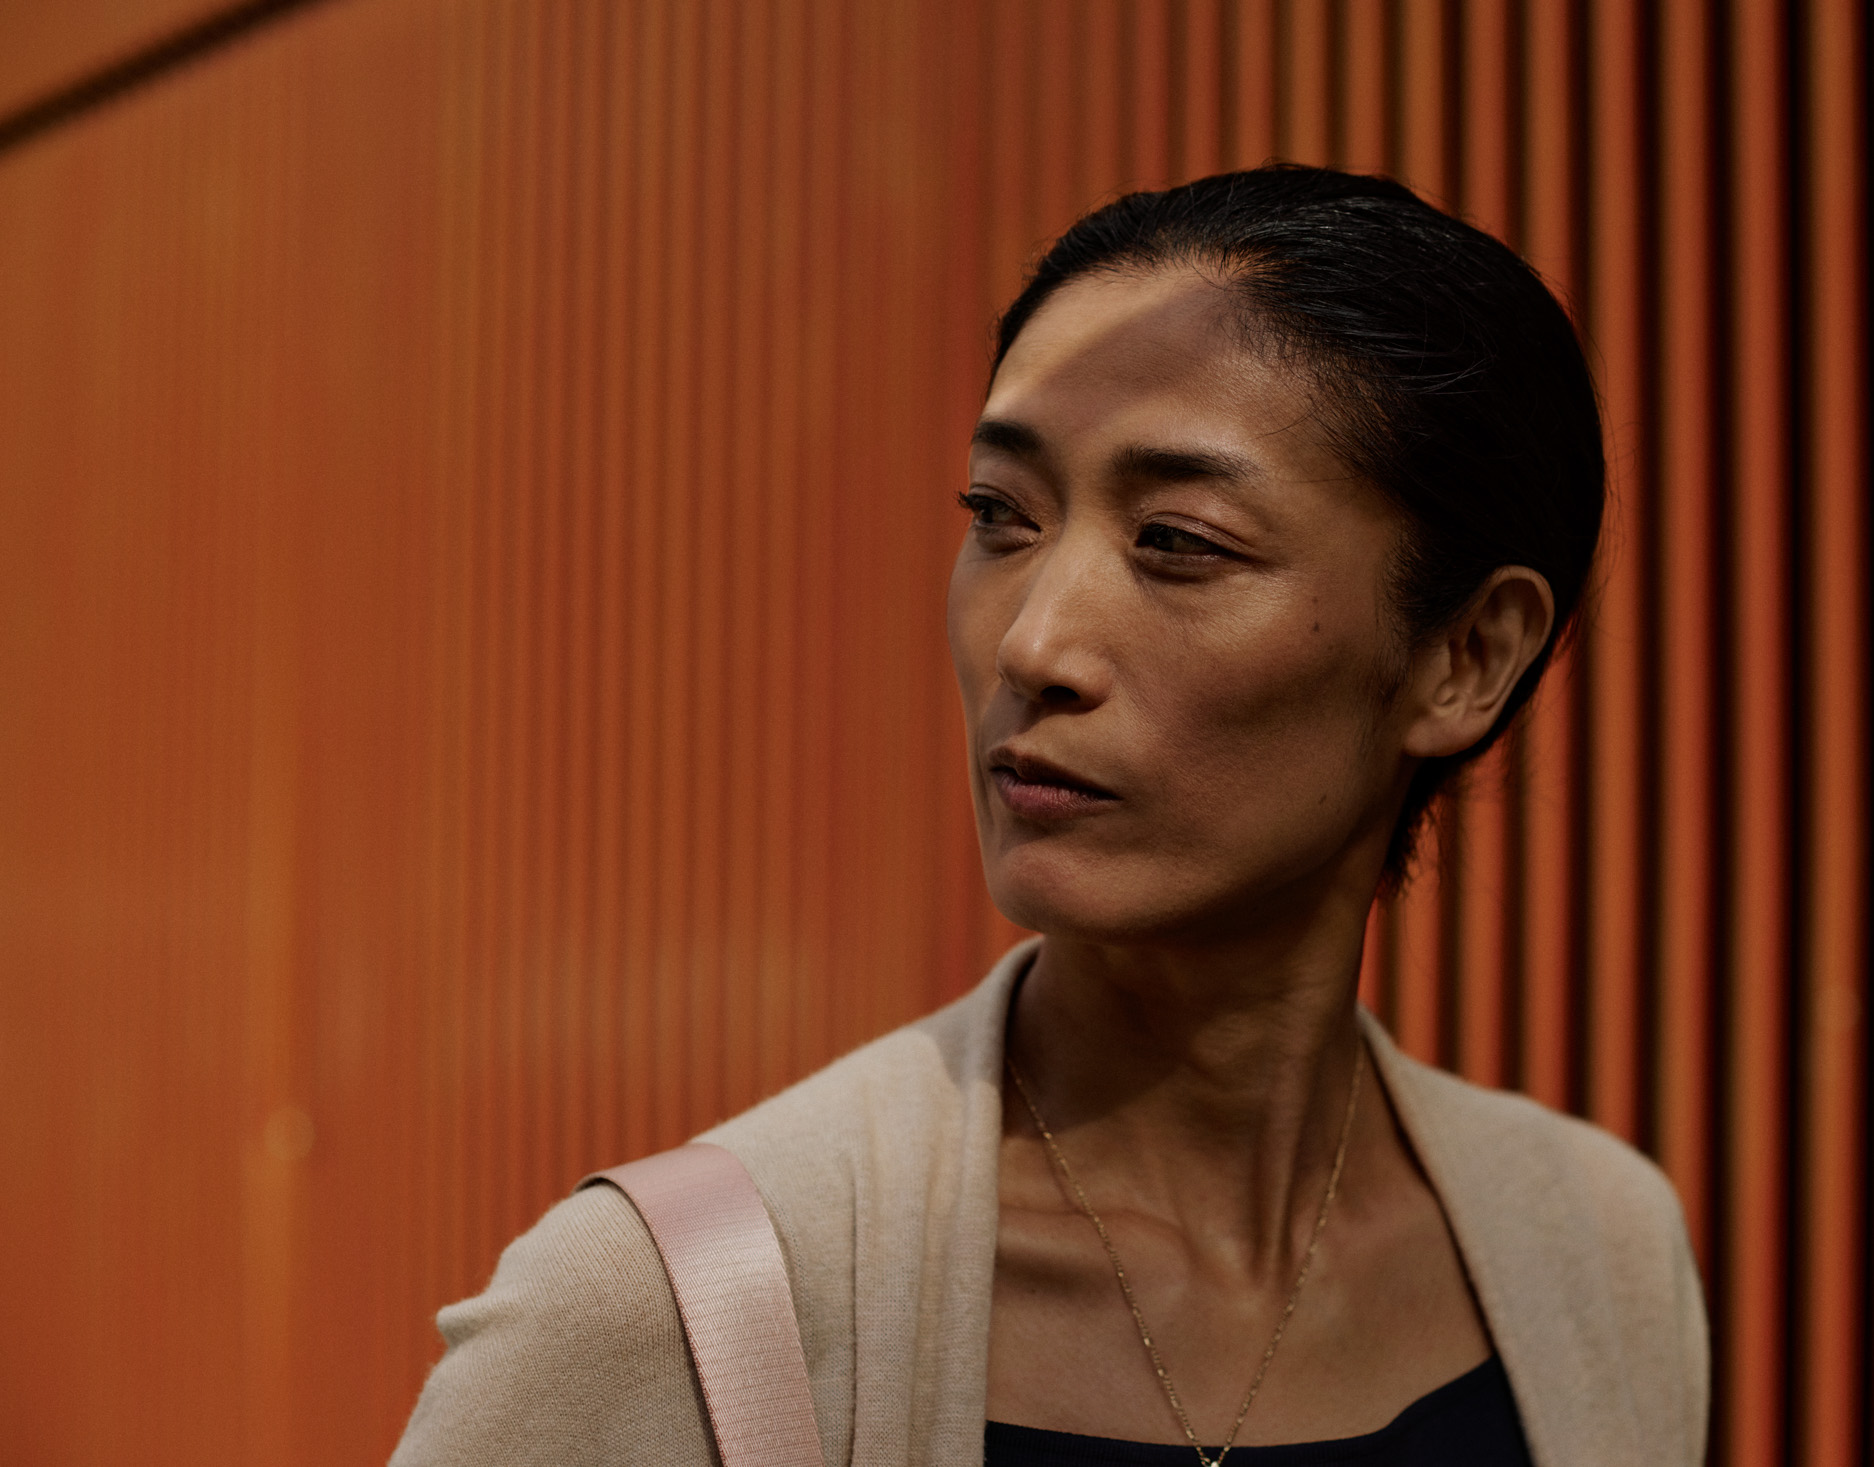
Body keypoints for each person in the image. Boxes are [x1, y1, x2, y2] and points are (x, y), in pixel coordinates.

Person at [392, 165, 1707, 1467]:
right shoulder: (670, 1315)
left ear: (1468, 656)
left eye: (1179, 541)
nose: (1033, 644)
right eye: (1000, 516)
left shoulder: (1598, 1257)